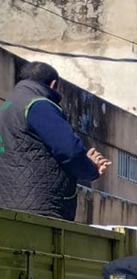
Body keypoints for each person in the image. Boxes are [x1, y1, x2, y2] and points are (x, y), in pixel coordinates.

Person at [0, 61, 110, 220]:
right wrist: (90, 168)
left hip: (7, 208)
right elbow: (69, 150)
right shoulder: (39, 105)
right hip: (41, 209)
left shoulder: (6, 109)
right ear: (53, 85)